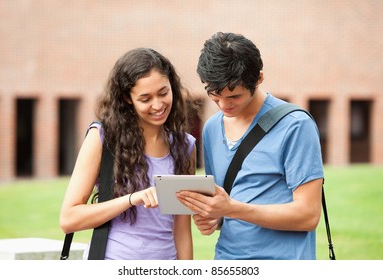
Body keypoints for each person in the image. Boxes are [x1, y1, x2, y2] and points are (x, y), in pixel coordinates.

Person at [176, 32, 324, 260]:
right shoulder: (212, 128)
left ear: (258, 79)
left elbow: (308, 215)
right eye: (215, 96)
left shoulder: (295, 126)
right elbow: (227, 200)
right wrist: (215, 217)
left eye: (234, 96)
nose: (224, 105)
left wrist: (230, 209)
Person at [60, 48, 196, 260]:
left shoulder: (184, 146)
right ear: (126, 98)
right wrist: (131, 199)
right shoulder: (102, 139)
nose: (158, 105)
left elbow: (181, 230)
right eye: (145, 98)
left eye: (163, 93)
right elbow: (69, 219)